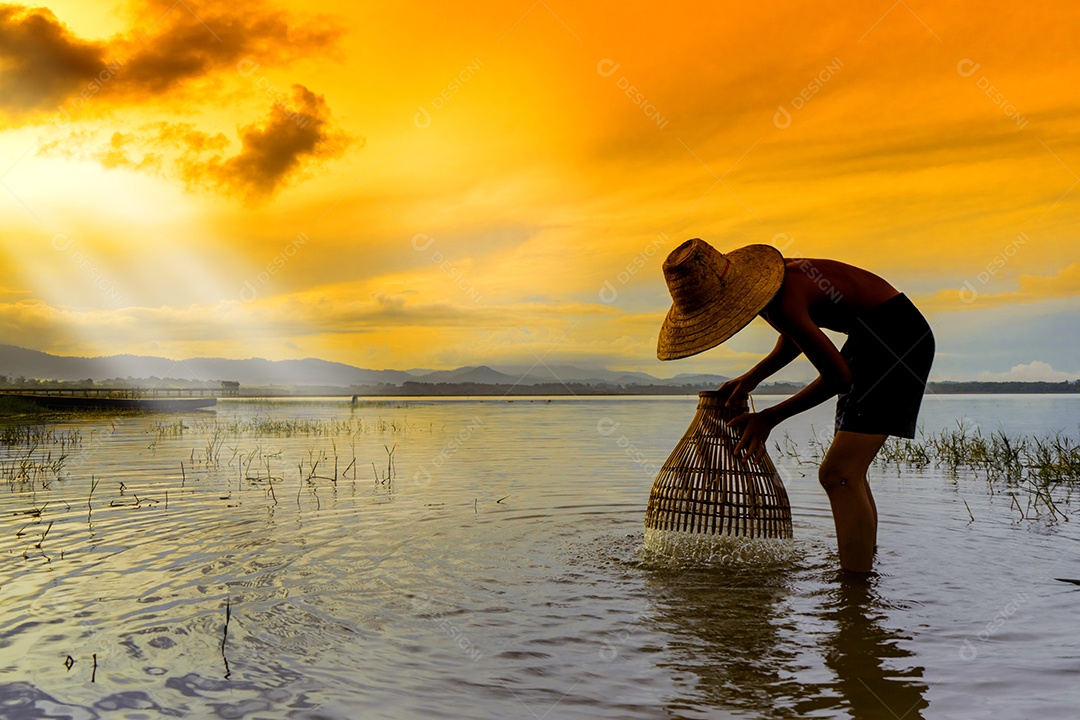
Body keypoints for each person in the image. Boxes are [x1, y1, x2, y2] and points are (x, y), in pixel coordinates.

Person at [657, 238, 934, 573]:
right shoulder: (773, 287)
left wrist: (769, 418)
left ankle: (855, 588)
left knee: (838, 474)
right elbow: (794, 335)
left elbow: (838, 378)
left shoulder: (782, 296)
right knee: (849, 474)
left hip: (898, 340)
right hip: (875, 336)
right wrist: (752, 377)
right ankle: (864, 568)